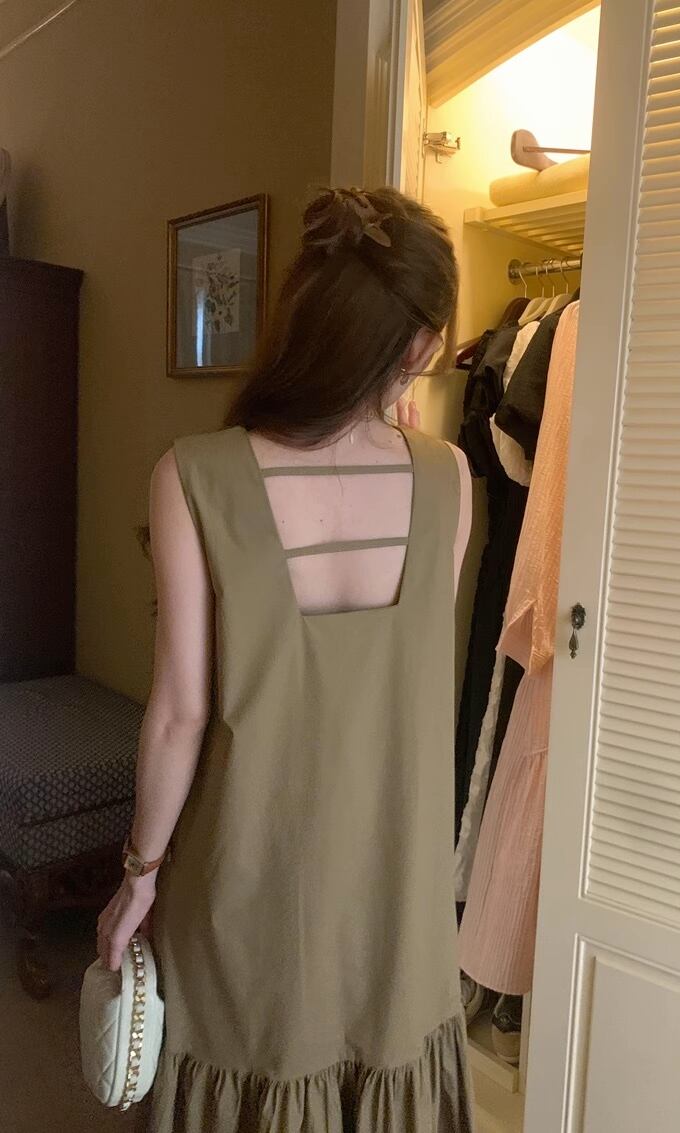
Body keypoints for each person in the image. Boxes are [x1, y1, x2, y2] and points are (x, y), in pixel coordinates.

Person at [96, 186, 475, 1132]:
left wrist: (139, 873)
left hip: (247, 892)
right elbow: (400, 683)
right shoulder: (448, 477)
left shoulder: (193, 473)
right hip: (397, 903)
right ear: (421, 347)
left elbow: (180, 714)